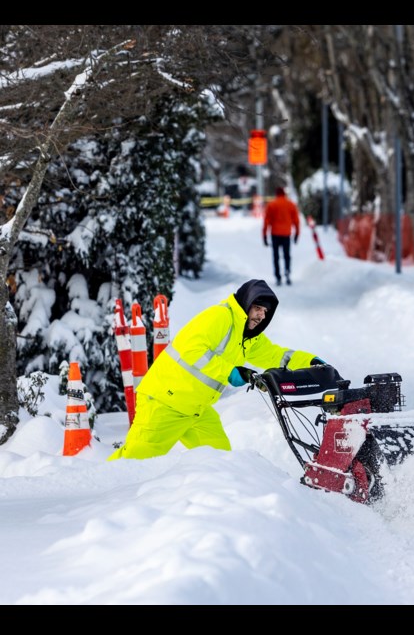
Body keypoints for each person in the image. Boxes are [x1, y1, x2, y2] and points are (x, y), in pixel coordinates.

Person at [108, 278, 334, 460]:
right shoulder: (220, 317)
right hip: (165, 403)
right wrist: (229, 372)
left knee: (221, 462)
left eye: (265, 312)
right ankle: (96, 492)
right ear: (246, 304)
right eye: (257, 308)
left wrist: (310, 362)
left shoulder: (247, 336)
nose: (261, 316)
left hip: (197, 410)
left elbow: (277, 355)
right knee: (132, 464)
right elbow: (191, 350)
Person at [262, 186, 301, 286]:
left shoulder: (272, 205)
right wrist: (297, 234)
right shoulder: (290, 204)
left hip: (275, 234)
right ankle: (287, 273)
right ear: (284, 194)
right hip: (286, 234)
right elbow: (296, 220)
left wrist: (264, 236)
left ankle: (278, 276)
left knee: (276, 256)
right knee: (287, 255)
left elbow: (266, 221)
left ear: (276, 194)